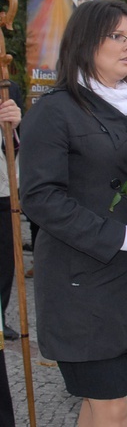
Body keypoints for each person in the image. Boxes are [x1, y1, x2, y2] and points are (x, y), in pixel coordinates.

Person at [19, 0, 127, 427]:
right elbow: (40, 197)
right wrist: (117, 236)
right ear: (86, 42)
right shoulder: (54, 110)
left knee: (104, 402)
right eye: (117, 37)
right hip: (82, 282)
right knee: (111, 407)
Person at [0, 82, 22, 342]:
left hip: (4, 190)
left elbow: (17, 145)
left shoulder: (7, 88)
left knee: (5, 260)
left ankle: (1, 316)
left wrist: (15, 126)